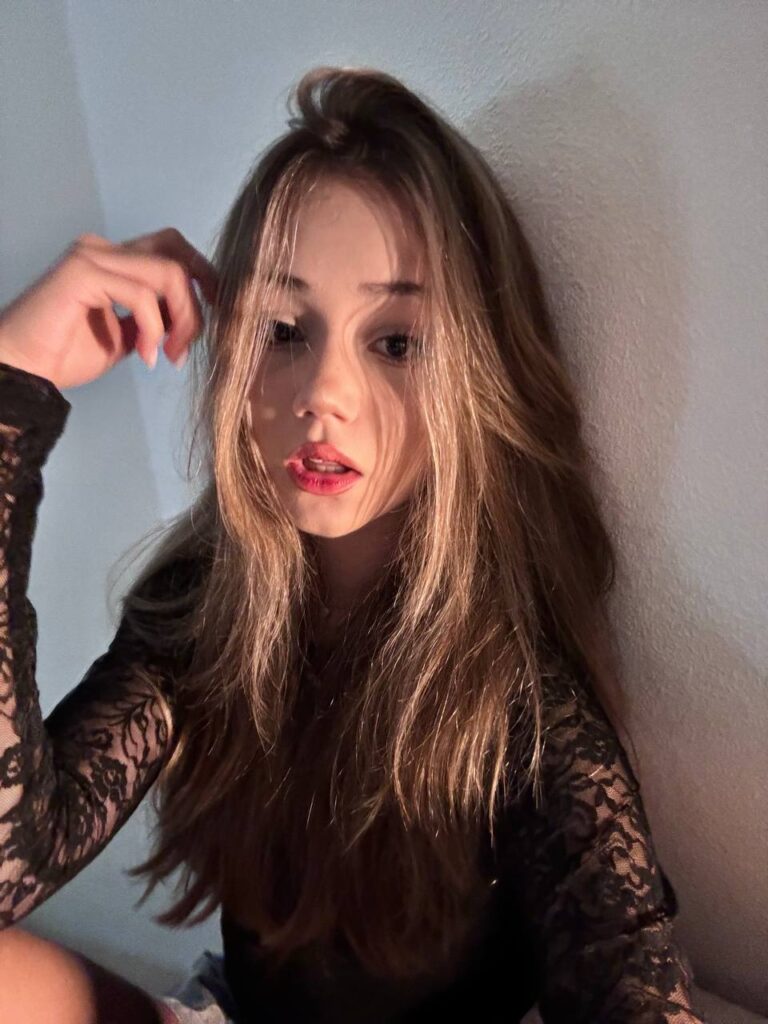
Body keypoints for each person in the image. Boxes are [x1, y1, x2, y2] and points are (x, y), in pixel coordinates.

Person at [0, 65, 707, 1023]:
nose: (323, 393)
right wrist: (12, 386)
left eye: (396, 342)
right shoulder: (205, 610)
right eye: (285, 329)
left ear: (476, 377)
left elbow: (630, 972)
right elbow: (9, 863)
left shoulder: (520, 704)